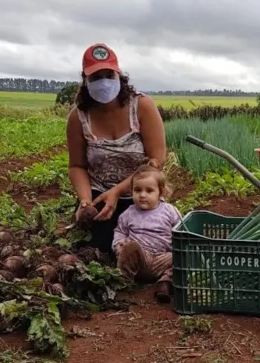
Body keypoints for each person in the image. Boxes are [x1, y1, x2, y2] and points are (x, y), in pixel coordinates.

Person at [66, 43, 167, 255]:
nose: (103, 82)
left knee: (150, 244)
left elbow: (157, 160)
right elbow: (76, 166)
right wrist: (85, 201)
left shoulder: (142, 106)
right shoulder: (78, 117)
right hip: (99, 196)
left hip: (140, 192)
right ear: (86, 80)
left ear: (118, 75)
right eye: (96, 77)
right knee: (97, 250)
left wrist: (118, 191)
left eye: (108, 75)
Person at [112, 164, 182, 303]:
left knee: (182, 256)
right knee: (130, 247)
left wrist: (177, 249)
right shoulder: (128, 214)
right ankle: (123, 285)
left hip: (163, 259)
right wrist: (119, 245)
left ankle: (165, 283)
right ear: (131, 191)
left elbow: (180, 231)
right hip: (140, 260)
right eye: (137, 190)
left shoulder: (169, 211)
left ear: (160, 192)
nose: (142, 195)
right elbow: (120, 232)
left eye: (149, 191)